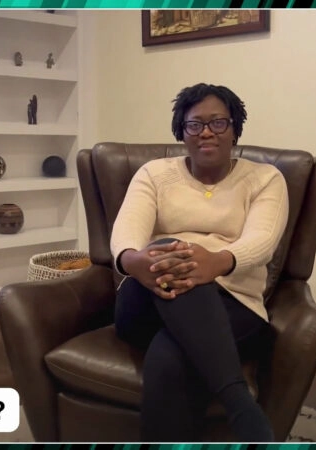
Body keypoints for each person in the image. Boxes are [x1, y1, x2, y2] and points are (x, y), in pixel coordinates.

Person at [110, 83, 289, 441]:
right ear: (182, 132)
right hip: (147, 298)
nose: (206, 132)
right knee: (168, 249)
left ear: (235, 129)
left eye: (218, 122)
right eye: (194, 124)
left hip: (233, 304)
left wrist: (219, 262)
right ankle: (240, 403)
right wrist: (133, 260)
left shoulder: (265, 179)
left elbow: (263, 241)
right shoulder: (154, 174)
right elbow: (126, 231)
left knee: (169, 359)